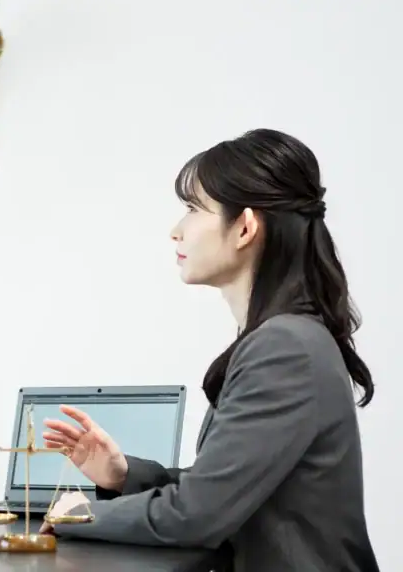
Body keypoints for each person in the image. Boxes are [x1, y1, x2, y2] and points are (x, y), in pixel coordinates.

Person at [39, 129, 379, 571]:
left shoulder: (285, 349)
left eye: (193, 209)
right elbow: (221, 488)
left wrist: (75, 515)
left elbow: (196, 514)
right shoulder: (282, 339)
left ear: (244, 227)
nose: (176, 231)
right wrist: (124, 476)